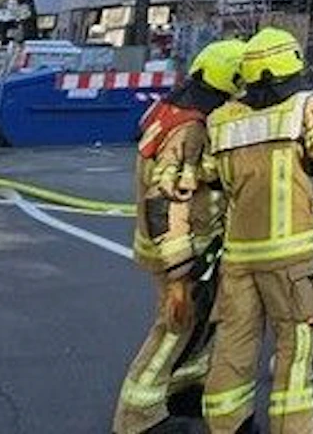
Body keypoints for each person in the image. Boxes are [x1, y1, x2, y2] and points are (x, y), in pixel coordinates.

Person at [201, 27, 313, 434]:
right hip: (291, 257)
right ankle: (294, 427)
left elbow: (212, 178)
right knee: (295, 345)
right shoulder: (305, 108)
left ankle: (227, 424)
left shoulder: (221, 119)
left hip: (239, 256)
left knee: (233, 342)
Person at [113, 38, 245, 434]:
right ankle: (137, 418)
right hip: (182, 249)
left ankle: (185, 389)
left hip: (191, 246)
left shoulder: (175, 109)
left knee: (201, 324)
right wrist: (178, 275)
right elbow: (164, 202)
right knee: (175, 326)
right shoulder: (191, 128)